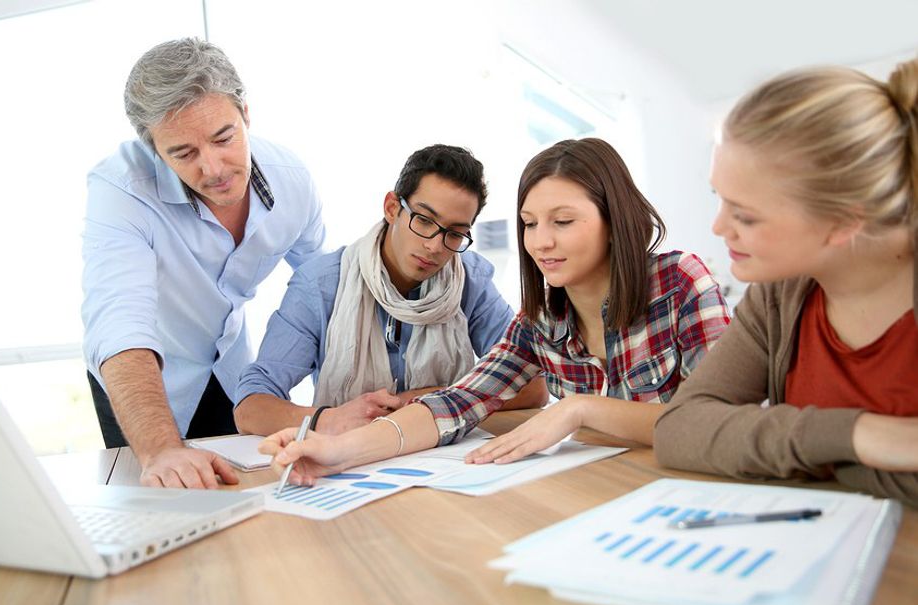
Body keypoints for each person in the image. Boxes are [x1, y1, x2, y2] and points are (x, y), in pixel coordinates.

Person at [259, 138, 730, 484]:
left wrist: (580, 409)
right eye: (529, 224)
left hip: (691, 490)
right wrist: (338, 451)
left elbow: (719, 423)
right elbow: (455, 403)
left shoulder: (680, 282)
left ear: (614, 220)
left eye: (563, 221)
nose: (541, 242)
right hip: (599, 493)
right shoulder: (540, 321)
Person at [654, 59, 918, 505]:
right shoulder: (780, 294)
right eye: (720, 198)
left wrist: (787, 453)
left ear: (843, 222)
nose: (719, 227)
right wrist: (857, 435)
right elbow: (679, 429)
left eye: (745, 216)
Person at [81, 38, 326, 489]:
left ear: (245, 113)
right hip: (143, 380)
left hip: (230, 368)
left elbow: (323, 292)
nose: (213, 168)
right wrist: (160, 450)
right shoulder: (120, 190)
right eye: (183, 153)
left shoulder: (292, 181)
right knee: (162, 497)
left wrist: (336, 413)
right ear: (155, 149)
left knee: (246, 491)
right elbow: (119, 320)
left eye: (223, 138)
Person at [233, 145, 548, 436]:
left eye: (455, 234)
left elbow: (533, 386)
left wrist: (425, 401)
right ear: (392, 208)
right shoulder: (321, 285)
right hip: (349, 454)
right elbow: (251, 405)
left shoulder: (470, 279)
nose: (435, 246)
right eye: (424, 220)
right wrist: (328, 419)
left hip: (440, 454)